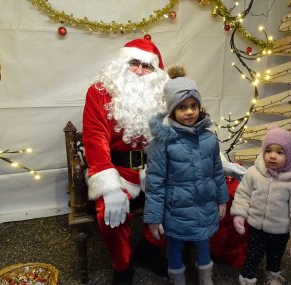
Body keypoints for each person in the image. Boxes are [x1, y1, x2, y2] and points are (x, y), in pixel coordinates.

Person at [82, 36, 169, 285]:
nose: (140, 71)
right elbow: (94, 140)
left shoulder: (163, 97)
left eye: (147, 66)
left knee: (180, 199)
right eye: (134, 63)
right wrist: (110, 188)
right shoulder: (99, 92)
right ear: (121, 63)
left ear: (156, 71)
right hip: (116, 170)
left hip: (155, 167)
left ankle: (150, 249)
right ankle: (123, 265)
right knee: (109, 216)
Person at [143, 66, 230, 285]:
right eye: (182, 107)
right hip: (176, 208)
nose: (189, 112)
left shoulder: (209, 139)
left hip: (204, 204)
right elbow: (155, 182)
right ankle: (177, 277)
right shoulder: (162, 143)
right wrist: (153, 216)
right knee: (175, 244)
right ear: (172, 110)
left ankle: (205, 276)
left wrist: (222, 198)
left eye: (193, 106)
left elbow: (217, 172)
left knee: (203, 241)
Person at [230, 126, 291, 285]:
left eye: (280, 152)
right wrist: (240, 214)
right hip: (256, 227)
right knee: (253, 254)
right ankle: (247, 277)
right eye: (268, 151)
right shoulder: (254, 173)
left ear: (289, 156)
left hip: (280, 230)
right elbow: (243, 194)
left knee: (275, 255)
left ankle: (273, 275)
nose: (273, 156)